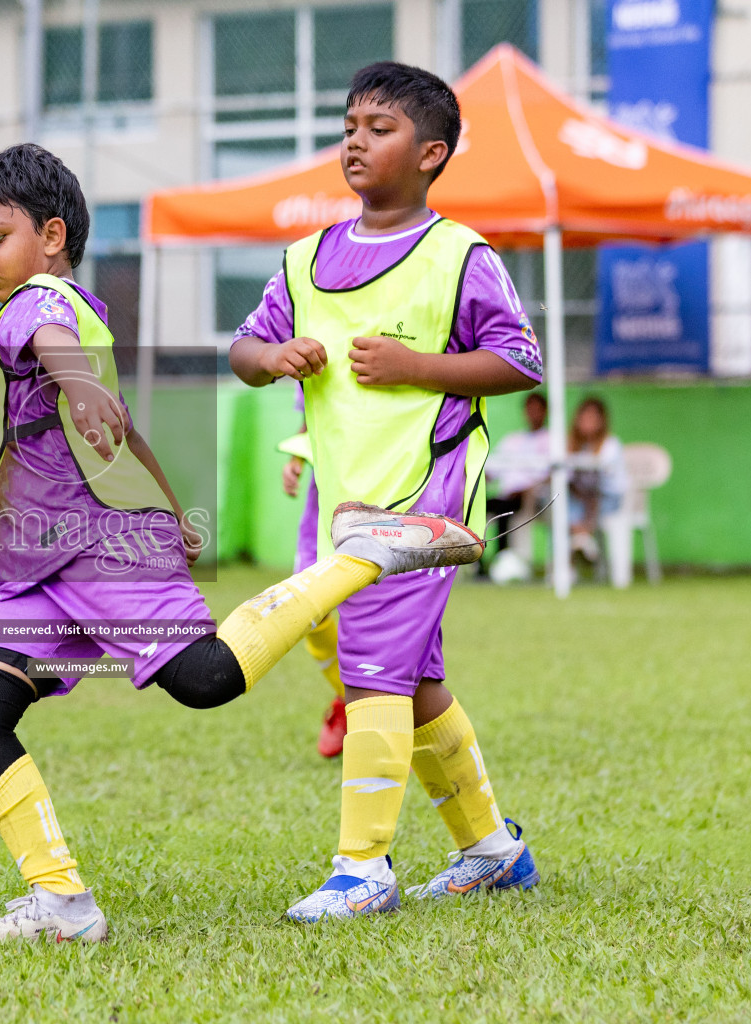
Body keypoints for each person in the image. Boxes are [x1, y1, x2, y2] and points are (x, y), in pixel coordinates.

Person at [0, 144, 475, 944]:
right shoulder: (72, 303)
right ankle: (62, 905)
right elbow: (120, 421)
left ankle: (368, 553)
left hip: (95, 549)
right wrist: (171, 508)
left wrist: (81, 390)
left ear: (50, 234)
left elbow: (63, 360)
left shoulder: (35, 305)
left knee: (204, 678)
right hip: (45, 563)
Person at [229, 62, 543, 922]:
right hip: (339, 505)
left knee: (372, 671)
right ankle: (491, 850)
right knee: (408, 680)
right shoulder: (305, 259)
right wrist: (272, 362)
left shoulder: (459, 255)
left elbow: (519, 360)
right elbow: (245, 348)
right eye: (349, 126)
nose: (356, 141)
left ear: (432, 152)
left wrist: (421, 368)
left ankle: (361, 869)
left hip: (424, 503)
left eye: (380, 127)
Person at [279, 414, 347, 758]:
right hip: (325, 507)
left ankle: (393, 723)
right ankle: (351, 700)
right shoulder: (310, 361)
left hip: (390, 497)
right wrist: (296, 458)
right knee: (307, 609)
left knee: (380, 626)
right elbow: (314, 414)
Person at [483, 392, 550, 580]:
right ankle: (480, 564)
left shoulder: (551, 440)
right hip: (507, 495)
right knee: (479, 508)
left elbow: (550, 476)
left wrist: (528, 488)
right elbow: (492, 470)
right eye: (530, 409)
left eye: (537, 409)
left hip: (532, 497)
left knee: (506, 508)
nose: (533, 413)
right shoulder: (513, 440)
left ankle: (501, 559)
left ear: (545, 412)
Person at [568, 395, 625, 567]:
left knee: (592, 499)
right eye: (584, 417)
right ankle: (583, 541)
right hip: (582, 499)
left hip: (608, 499)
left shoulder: (610, 444)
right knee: (563, 500)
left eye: (592, 417)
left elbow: (603, 477)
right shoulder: (573, 445)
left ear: (602, 421)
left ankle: (580, 541)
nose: (587, 421)